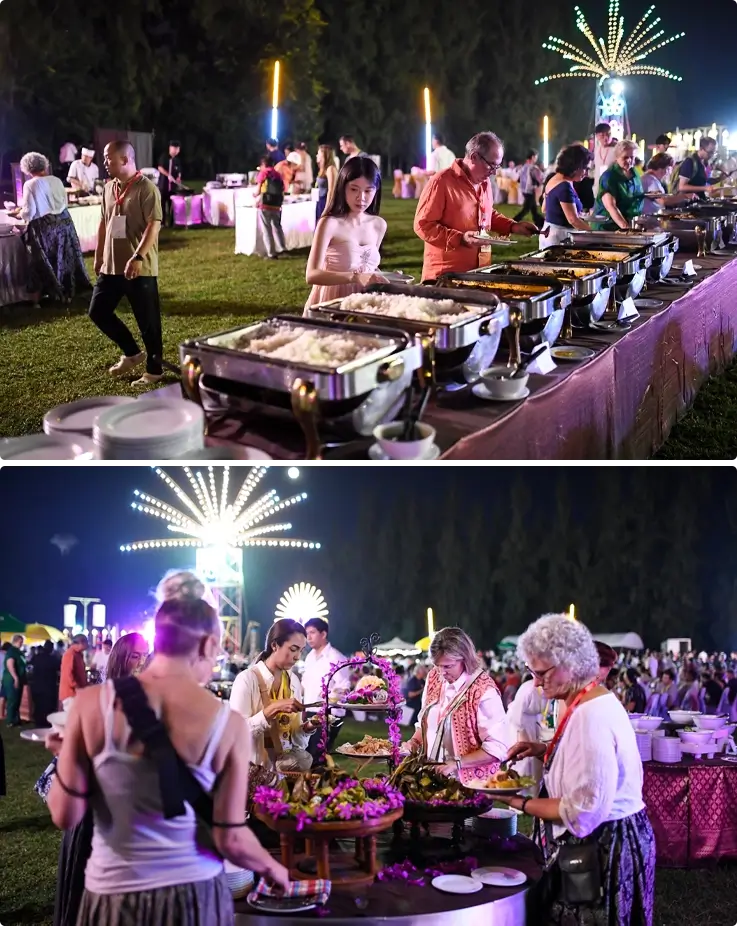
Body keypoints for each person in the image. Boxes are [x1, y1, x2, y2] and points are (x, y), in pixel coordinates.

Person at [44, 571, 288, 926]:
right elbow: (230, 837)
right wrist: (274, 869)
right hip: (194, 897)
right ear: (206, 645)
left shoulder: (90, 704)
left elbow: (65, 815)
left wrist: (64, 757)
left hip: (112, 898)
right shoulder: (228, 724)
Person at [499, 613, 655, 926]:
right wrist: (544, 750)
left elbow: (582, 811)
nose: (537, 682)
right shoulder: (587, 700)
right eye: (532, 672)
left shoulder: (590, 715)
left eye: (542, 673)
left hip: (604, 845)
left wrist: (515, 801)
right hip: (605, 837)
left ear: (571, 663)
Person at [414, 131, 537, 283]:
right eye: (491, 165)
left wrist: (512, 226)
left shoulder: (484, 183)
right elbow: (423, 225)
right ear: (473, 157)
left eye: (497, 166)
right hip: (445, 276)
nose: (493, 172)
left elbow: (486, 214)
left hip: (479, 273)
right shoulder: (441, 182)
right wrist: (460, 238)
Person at [89, 141, 163, 387]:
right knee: (98, 311)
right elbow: (104, 222)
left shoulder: (146, 188)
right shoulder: (108, 188)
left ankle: (154, 370)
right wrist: (99, 254)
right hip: (111, 265)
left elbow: (154, 224)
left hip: (138, 267)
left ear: (124, 159)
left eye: (108, 158)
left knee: (148, 321)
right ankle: (132, 353)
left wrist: (139, 256)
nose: (105, 162)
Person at [405, 627, 509, 783]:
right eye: (437, 665)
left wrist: (457, 763)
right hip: (431, 776)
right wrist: (413, 742)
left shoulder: (483, 690)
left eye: (448, 666)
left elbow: (498, 748)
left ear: (465, 659)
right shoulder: (434, 676)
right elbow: (425, 723)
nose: (441, 672)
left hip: (471, 783)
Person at [229, 618, 319, 772]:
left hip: (284, 776)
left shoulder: (293, 682)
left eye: (301, 650)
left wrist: (309, 727)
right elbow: (234, 734)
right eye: (293, 649)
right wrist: (273, 709)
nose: (297, 656)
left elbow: (297, 742)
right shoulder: (247, 679)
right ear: (274, 645)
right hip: (251, 775)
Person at [304, 156, 388, 310]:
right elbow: (311, 275)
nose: (361, 198)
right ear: (343, 188)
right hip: (333, 300)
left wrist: (385, 277)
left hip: (365, 300)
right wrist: (353, 277)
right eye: (354, 189)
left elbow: (367, 266)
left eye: (368, 191)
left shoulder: (378, 225)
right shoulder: (330, 223)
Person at [9, 151, 90, 304]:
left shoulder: (30, 184)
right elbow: (63, 203)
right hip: (65, 223)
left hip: (45, 227)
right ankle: (68, 290)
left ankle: (46, 295)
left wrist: (18, 215)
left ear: (27, 168)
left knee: (44, 260)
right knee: (65, 257)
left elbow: (29, 212)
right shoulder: (57, 180)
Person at [301, 617, 350, 759]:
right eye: (307, 633)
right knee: (307, 753)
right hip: (310, 711)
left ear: (323, 634)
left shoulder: (336, 657)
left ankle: (323, 780)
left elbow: (344, 686)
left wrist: (330, 695)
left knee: (318, 756)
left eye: (312, 632)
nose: (308, 637)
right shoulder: (309, 657)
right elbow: (305, 684)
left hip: (328, 714)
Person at [592, 140, 644, 230]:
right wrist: (627, 229)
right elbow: (611, 207)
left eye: (632, 157)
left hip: (627, 224)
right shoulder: (609, 177)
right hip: (608, 228)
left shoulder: (634, 173)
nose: (629, 161)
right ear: (616, 157)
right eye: (625, 157)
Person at [254, 156, 287, 260]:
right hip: (276, 204)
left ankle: (271, 253)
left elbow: (258, 190)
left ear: (263, 164)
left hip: (265, 204)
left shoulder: (263, 173)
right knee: (277, 226)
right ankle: (282, 248)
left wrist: (254, 195)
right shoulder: (278, 174)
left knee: (267, 228)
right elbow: (283, 188)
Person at [677, 136, 719, 201]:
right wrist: (705, 188)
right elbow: (682, 187)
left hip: (700, 201)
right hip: (689, 203)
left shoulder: (705, 162)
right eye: (710, 152)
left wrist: (720, 178)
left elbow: (702, 181)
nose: (712, 155)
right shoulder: (690, 162)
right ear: (701, 149)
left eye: (714, 152)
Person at [30, 640, 59, 728]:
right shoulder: (53, 659)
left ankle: (38, 723)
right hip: (49, 687)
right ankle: (46, 723)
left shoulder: (36, 657)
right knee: (48, 706)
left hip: (36, 685)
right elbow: (59, 670)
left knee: (38, 705)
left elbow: (30, 668)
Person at [513, 149, 544, 228]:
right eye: (536, 156)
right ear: (533, 157)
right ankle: (512, 222)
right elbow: (540, 179)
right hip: (530, 190)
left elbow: (518, 179)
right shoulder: (533, 167)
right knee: (526, 209)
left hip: (524, 190)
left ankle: (540, 222)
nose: (536, 158)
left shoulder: (523, 167)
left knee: (533, 209)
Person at [2, 634, 27, 727]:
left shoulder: (19, 652)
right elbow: (10, 664)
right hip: (11, 679)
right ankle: (10, 721)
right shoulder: (12, 651)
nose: (22, 643)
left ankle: (16, 719)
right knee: (12, 700)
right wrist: (15, 677)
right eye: (21, 641)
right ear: (16, 641)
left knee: (17, 700)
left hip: (19, 679)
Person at [59, 634, 89, 710]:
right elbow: (68, 675)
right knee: (73, 719)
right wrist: (77, 687)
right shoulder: (70, 654)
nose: (88, 645)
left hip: (77, 694)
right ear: (81, 643)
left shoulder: (79, 654)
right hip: (71, 695)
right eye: (86, 642)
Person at [157, 140, 183, 227]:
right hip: (163, 185)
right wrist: (168, 175)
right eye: (175, 149)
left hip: (172, 187)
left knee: (172, 205)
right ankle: (162, 223)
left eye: (178, 149)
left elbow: (179, 171)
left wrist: (178, 177)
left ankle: (172, 223)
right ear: (170, 148)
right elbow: (160, 168)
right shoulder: (164, 157)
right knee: (162, 205)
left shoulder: (177, 160)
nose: (176, 151)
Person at [592, 122, 618, 196]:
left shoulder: (618, 149)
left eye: (608, 134)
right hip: (598, 189)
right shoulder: (596, 150)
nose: (606, 138)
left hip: (613, 190)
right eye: (602, 135)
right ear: (597, 136)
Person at [315, 145, 339, 221]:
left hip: (326, 201)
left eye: (318, 153)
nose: (317, 155)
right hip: (320, 200)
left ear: (324, 155)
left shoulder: (330, 169)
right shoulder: (323, 169)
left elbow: (331, 190)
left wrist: (327, 208)